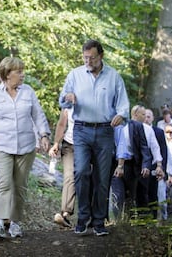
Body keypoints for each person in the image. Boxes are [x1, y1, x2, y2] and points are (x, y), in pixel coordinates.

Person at [59, 39, 129, 236]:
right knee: (80, 172)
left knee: (102, 176)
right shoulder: (75, 74)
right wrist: (67, 98)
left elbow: (123, 103)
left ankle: (98, 221)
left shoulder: (114, 77)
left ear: (101, 56)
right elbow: (62, 99)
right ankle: (82, 218)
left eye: (92, 57)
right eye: (85, 57)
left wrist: (121, 114)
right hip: (81, 130)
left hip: (106, 131)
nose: (88, 61)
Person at [0, 57, 51, 238]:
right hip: (1, 145)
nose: (22, 75)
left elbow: (38, 115)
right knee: (4, 183)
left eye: (22, 71)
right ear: (7, 74)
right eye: (19, 72)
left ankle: (15, 223)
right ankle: (0, 223)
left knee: (19, 185)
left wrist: (44, 135)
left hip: (26, 147)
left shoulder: (28, 92)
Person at [111, 105, 158, 220]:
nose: (145, 117)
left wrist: (146, 165)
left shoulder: (138, 126)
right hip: (115, 164)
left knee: (131, 195)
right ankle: (116, 221)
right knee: (117, 194)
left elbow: (144, 147)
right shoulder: (114, 124)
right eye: (143, 114)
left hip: (131, 166)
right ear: (135, 114)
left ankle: (129, 222)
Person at [48, 107, 75, 228]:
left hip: (89, 145)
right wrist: (56, 143)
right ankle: (65, 214)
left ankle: (90, 215)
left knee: (86, 176)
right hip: (69, 144)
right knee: (70, 176)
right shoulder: (68, 104)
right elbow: (61, 124)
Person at [145, 108, 171, 220]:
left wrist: (163, 169)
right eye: (145, 116)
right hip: (142, 168)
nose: (146, 118)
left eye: (149, 116)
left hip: (156, 167)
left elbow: (163, 152)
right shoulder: (137, 130)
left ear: (153, 118)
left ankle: (154, 217)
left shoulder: (158, 132)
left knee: (155, 195)